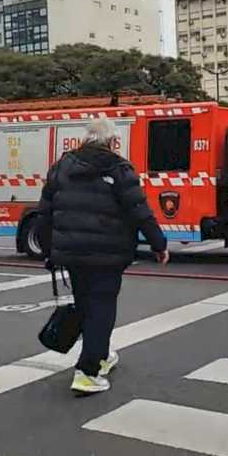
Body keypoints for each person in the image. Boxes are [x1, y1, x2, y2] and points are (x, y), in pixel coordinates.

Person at [38, 118, 169, 394]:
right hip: (108, 255)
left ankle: (102, 355)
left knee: (87, 305)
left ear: (85, 139)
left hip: (72, 254)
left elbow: (45, 212)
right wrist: (159, 245)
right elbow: (139, 211)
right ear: (112, 142)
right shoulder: (119, 169)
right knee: (102, 308)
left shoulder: (62, 167)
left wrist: (49, 251)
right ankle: (87, 371)